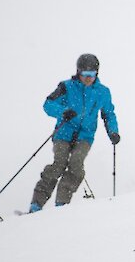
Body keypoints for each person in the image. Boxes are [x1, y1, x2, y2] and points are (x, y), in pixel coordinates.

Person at [29, 53, 120, 212]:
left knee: (76, 165)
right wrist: (63, 111)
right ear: (78, 72)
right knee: (59, 164)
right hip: (64, 133)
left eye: (91, 74)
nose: (88, 78)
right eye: (85, 74)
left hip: (85, 136)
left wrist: (113, 132)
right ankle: (36, 204)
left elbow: (108, 114)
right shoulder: (66, 87)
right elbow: (48, 104)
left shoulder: (102, 92)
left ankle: (61, 204)